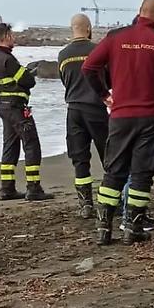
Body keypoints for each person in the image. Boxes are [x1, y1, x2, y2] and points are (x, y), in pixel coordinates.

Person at [81, 0, 154, 245]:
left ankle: (103, 229)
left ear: (139, 12)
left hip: (120, 116)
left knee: (114, 172)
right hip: (151, 117)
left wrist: (104, 95)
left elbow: (88, 67)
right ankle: (133, 227)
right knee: (141, 173)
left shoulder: (115, 37)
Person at [0, 21, 51, 201]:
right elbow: (28, 81)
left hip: (4, 106)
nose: (14, 38)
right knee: (32, 145)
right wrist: (27, 73)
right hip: (16, 108)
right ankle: (34, 188)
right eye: (12, 35)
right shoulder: (8, 59)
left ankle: (7, 188)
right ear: (6, 36)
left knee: (10, 146)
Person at [57, 13, 109, 217]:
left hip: (74, 111)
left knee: (80, 159)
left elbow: (65, 80)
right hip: (96, 109)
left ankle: (85, 204)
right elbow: (108, 79)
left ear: (72, 29)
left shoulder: (63, 55)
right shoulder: (98, 50)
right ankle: (110, 199)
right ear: (88, 28)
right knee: (109, 156)